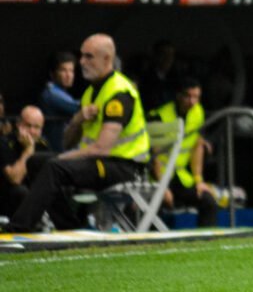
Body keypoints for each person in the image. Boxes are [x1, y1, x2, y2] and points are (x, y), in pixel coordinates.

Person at [4, 35, 150, 232]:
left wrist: (63, 158)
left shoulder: (119, 93)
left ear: (107, 59)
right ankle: (69, 227)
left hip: (124, 167)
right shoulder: (90, 93)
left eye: (89, 56)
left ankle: (17, 228)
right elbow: (68, 143)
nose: (81, 62)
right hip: (99, 162)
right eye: (81, 56)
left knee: (55, 166)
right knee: (34, 162)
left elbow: (102, 148)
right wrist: (77, 120)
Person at [149, 78, 218, 227]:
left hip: (181, 176)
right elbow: (154, 157)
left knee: (208, 201)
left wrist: (199, 180)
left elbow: (197, 146)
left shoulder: (198, 112)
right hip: (159, 177)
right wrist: (162, 187)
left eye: (196, 97)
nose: (192, 102)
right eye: (188, 96)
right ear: (178, 96)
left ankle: (206, 240)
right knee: (154, 206)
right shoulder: (159, 116)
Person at [0, 106, 48, 219]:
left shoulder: (43, 145)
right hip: (7, 197)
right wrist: (28, 150)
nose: (32, 131)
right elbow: (15, 179)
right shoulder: (4, 143)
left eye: (37, 127)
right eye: (28, 125)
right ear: (18, 124)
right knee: (21, 191)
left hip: (33, 194)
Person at [39, 51, 80, 150]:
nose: (68, 75)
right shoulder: (51, 93)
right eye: (63, 70)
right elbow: (79, 108)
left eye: (71, 71)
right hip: (57, 151)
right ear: (52, 74)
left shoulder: (62, 92)